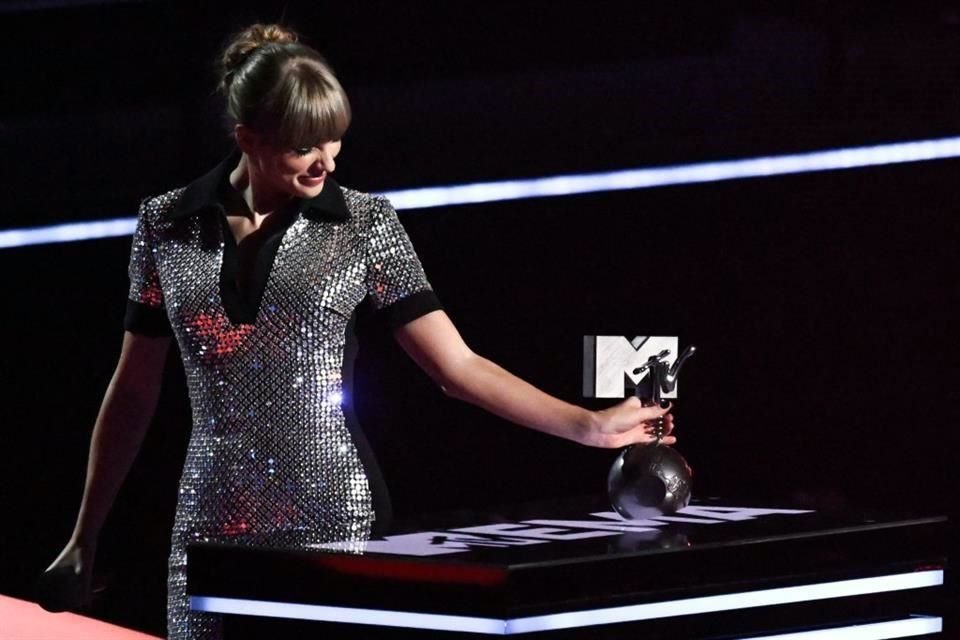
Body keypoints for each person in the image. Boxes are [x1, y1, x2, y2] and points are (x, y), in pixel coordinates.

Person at [45, 23, 675, 640]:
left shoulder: (365, 223)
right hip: (210, 521)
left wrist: (586, 425)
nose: (328, 160)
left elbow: (456, 367)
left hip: (336, 511)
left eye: (335, 140)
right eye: (304, 146)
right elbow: (132, 391)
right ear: (249, 138)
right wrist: (84, 536)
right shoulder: (165, 225)